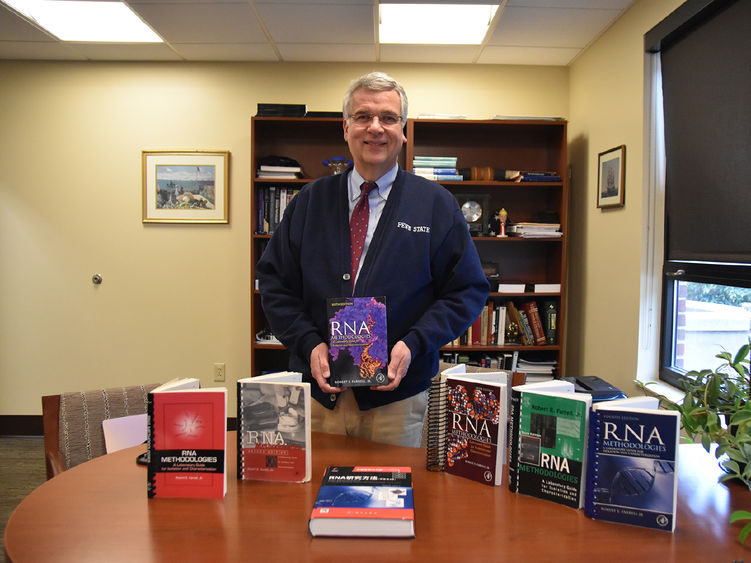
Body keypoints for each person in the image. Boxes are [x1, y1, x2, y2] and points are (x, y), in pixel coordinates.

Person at [256, 71, 489, 447]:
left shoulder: (435, 204)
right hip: (318, 398)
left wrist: (414, 344)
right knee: (311, 501)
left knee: (392, 500)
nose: (375, 128)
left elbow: (468, 290)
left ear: (404, 130)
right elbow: (274, 283)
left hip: (396, 402)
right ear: (345, 128)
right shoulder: (309, 202)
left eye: (388, 118)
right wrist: (309, 343)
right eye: (363, 116)